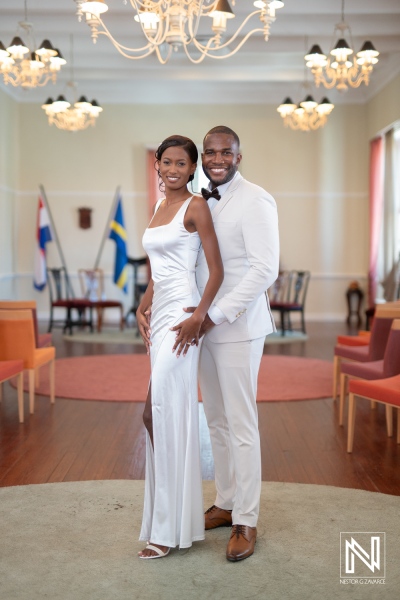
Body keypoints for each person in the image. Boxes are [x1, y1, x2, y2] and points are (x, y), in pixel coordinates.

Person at [172, 125, 279, 562]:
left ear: (239, 155)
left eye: (226, 152)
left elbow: (263, 269)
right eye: (211, 153)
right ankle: (226, 499)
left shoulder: (256, 199)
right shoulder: (198, 198)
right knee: (213, 419)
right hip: (200, 326)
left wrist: (211, 315)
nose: (218, 159)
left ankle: (247, 519)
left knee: (241, 423)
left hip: (234, 327)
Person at [136, 135, 224, 559]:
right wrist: (144, 299)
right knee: (156, 416)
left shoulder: (196, 206)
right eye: (166, 161)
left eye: (181, 163)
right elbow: (158, 269)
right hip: (160, 313)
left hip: (183, 319)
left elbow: (216, 270)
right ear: (158, 165)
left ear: (192, 169)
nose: (172, 169)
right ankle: (170, 520)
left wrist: (198, 319)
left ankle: (168, 531)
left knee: (161, 412)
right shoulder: (158, 207)